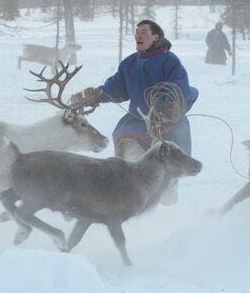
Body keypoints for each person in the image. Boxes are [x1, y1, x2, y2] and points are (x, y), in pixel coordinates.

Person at [72, 20, 199, 204]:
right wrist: (92, 96)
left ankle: (168, 205)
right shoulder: (130, 63)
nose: (138, 35)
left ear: (156, 36)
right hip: (137, 120)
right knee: (127, 151)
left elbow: (179, 87)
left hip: (166, 122)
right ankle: (128, 200)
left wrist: (169, 106)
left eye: (144, 32)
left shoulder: (169, 60)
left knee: (169, 160)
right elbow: (115, 88)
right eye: (137, 32)